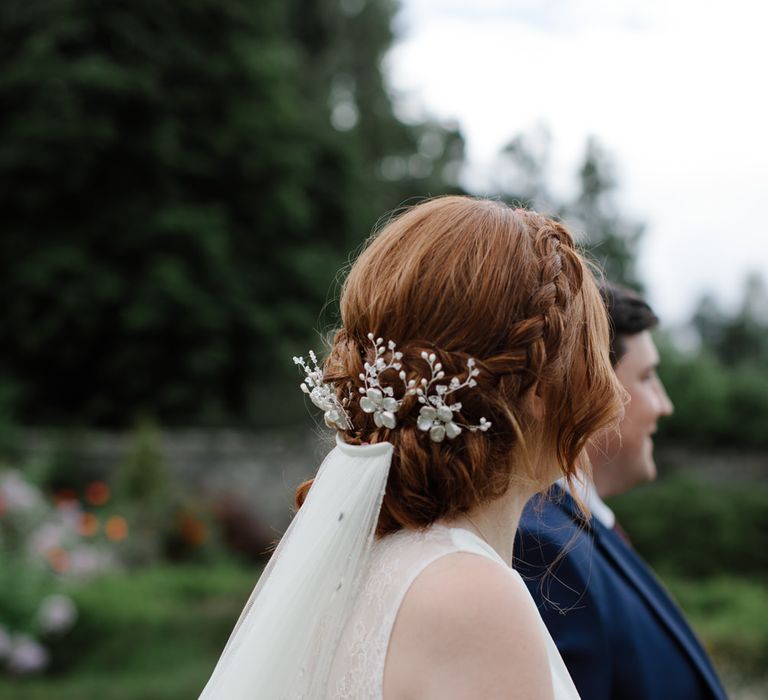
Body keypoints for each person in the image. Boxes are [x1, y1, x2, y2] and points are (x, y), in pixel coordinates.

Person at [199, 196, 625, 699]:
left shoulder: (358, 568)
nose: (614, 397)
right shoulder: (471, 597)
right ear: (539, 387)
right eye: (591, 360)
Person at [515, 282, 728, 700]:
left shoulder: (577, 529)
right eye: (647, 377)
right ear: (591, 389)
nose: (664, 404)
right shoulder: (541, 546)